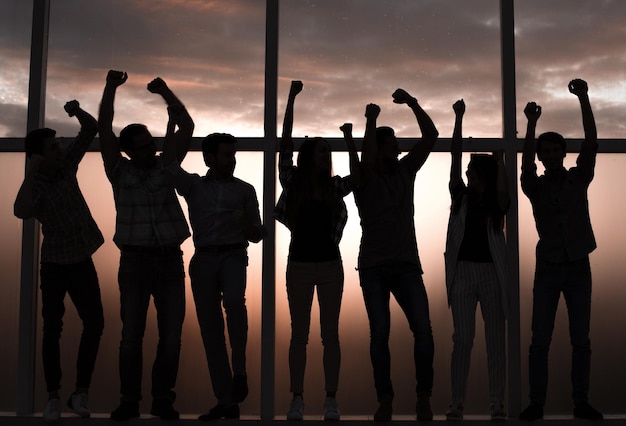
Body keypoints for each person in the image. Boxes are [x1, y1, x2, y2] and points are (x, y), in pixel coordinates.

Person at [98, 70, 193, 421]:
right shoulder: (118, 171)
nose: (149, 151)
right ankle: (130, 400)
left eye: (150, 144)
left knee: (170, 336)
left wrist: (166, 92)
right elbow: (104, 127)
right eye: (141, 148)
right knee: (131, 336)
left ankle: (162, 399)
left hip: (168, 259)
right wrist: (110, 88)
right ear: (127, 151)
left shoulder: (165, 166)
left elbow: (186, 127)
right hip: (135, 261)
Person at [162, 121, 265, 420]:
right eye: (225, 155)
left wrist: (244, 224)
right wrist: (172, 126)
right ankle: (226, 401)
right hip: (204, 260)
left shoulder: (245, 190)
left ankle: (240, 370)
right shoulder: (194, 186)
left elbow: (257, 233)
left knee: (234, 302)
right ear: (209, 158)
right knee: (211, 332)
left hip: (233, 255)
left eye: (233, 155)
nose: (231, 160)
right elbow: (169, 166)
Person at [14, 101, 105, 423]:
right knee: (52, 328)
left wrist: (77, 110)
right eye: (53, 147)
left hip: (80, 257)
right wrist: (32, 173)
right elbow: (21, 211)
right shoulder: (35, 184)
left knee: (95, 323)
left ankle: (79, 392)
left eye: (57, 145)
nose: (59, 149)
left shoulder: (66, 164)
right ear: (39, 155)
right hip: (54, 262)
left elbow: (90, 129)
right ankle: (53, 396)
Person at [274, 81, 359, 421]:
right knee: (299, 334)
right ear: (309, 155)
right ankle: (297, 398)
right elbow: (284, 143)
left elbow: (359, 175)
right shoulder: (293, 182)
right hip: (300, 266)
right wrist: (292, 99)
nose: (328, 154)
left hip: (329, 266)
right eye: (323, 150)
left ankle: (330, 399)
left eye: (329, 150)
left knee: (329, 335)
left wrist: (351, 139)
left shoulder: (334, 186)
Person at [519, 79, 603, 421]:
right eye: (546, 152)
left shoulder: (578, 178)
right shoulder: (534, 187)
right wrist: (530, 124)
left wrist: (584, 97)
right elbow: (524, 165)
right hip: (550, 268)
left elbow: (592, 142)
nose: (551, 156)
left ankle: (580, 402)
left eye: (556, 151)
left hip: (578, 264)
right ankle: (536, 403)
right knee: (540, 339)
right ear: (541, 156)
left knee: (580, 339)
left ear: (563, 153)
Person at [354, 89, 438, 421]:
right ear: (379, 150)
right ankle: (385, 399)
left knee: (423, 329)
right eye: (391, 145)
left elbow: (431, 135)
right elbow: (366, 158)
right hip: (374, 267)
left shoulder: (405, 172)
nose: (398, 148)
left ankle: (422, 397)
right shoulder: (365, 178)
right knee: (381, 333)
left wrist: (414, 103)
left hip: (403, 265)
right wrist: (372, 121)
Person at [443, 99, 509, 421]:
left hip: (490, 273)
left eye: (472, 171)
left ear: (481, 174)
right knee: (464, 339)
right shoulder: (461, 198)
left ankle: (497, 402)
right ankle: (457, 402)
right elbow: (455, 157)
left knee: (496, 339)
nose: (467, 174)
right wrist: (458, 119)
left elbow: (501, 192)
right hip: (465, 272)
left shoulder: (496, 205)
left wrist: (500, 158)